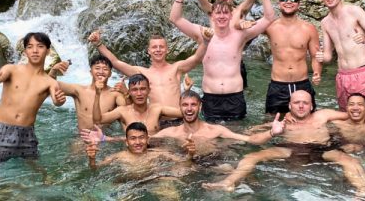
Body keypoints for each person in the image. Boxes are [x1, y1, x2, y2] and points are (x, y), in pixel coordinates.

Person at [201, 90, 365, 194]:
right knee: (252, 156)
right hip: (289, 149)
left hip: (322, 149)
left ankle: (364, 192)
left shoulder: (323, 115)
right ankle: (227, 182)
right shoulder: (283, 122)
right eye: (297, 103)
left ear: (311, 106)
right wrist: (270, 130)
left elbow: (355, 113)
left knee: (349, 160)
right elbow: (252, 133)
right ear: (289, 105)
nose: (301, 106)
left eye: (305, 103)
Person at [170, 0, 274, 121]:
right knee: (211, 140)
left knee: (237, 139)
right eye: (218, 13)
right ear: (212, 16)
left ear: (231, 16)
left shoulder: (241, 35)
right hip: (210, 99)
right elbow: (175, 19)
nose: (222, 16)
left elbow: (269, 18)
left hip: (235, 98)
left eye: (225, 13)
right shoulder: (202, 34)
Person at [83, 90, 285, 154]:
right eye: (185, 105)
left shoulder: (215, 130)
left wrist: (271, 133)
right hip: (184, 164)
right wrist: (105, 139)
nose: (189, 109)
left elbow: (251, 140)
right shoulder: (171, 133)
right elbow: (140, 139)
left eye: (193, 105)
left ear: (200, 106)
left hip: (212, 163)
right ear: (180, 107)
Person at [87, 28, 212, 128]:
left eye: (161, 47)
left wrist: (206, 41)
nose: (158, 50)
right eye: (154, 47)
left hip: (180, 119)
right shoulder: (141, 72)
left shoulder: (176, 69)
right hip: (157, 121)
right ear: (149, 51)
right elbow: (115, 62)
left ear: (167, 50)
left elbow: (196, 58)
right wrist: (98, 44)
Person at [0, 32, 67, 172]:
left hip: (27, 133)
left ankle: (46, 186)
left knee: (36, 168)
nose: (34, 51)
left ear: (48, 50)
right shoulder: (12, 70)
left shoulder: (50, 82)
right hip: (2, 130)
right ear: (25, 51)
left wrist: (60, 100)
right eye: (30, 47)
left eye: (40, 46)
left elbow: (57, 101)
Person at [196, 0, 259, 88]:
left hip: (235, 61)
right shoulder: (212, 10)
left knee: (241, 94)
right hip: (214, 59)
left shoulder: (240, 11)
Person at [263, 0, 322, 114]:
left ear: (299, 4)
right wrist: (244, 23)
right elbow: (245, 31)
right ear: (279, 3)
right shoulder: (269, 27)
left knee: (308, 123)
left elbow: (315, 55)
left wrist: (317, 72)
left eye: (293, 0)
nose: (288, 2)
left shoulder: (309, 28)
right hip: (278, 85)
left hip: (302, 84)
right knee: (271, 122)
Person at [52, 55, 127, 130]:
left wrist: (126, 92)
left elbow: (129, 113)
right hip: (83, 138)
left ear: (110, 74)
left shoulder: (115, 94)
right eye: (97, 68)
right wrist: (53, 71)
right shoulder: (79, 91)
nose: (101, 72)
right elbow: (50, 85)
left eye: (105, 69)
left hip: (104, 138)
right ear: (91, 72)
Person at [93, 74, 183, 134]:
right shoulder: (122, 111)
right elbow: (98, 120)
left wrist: (186, 92)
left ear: (149, 90)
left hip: (157, 152)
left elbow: (184, 113)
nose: (139, 94)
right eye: (135, 90)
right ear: (129, 92)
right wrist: (97, 95)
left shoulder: (157, 109)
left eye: (143, 89)